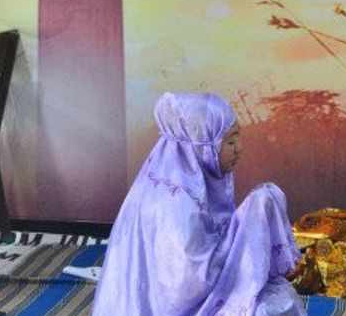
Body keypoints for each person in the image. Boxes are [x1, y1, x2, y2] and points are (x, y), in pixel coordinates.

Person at [93, 92, 304, 316]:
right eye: (230, 141)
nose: (239, 147)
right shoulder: (178, 207)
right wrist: (250, 223)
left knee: (276, 296)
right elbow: (188, 286)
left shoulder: (176, 176)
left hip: (165, 296)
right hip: (175, 305)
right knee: (269, 308)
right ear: (203, 146)